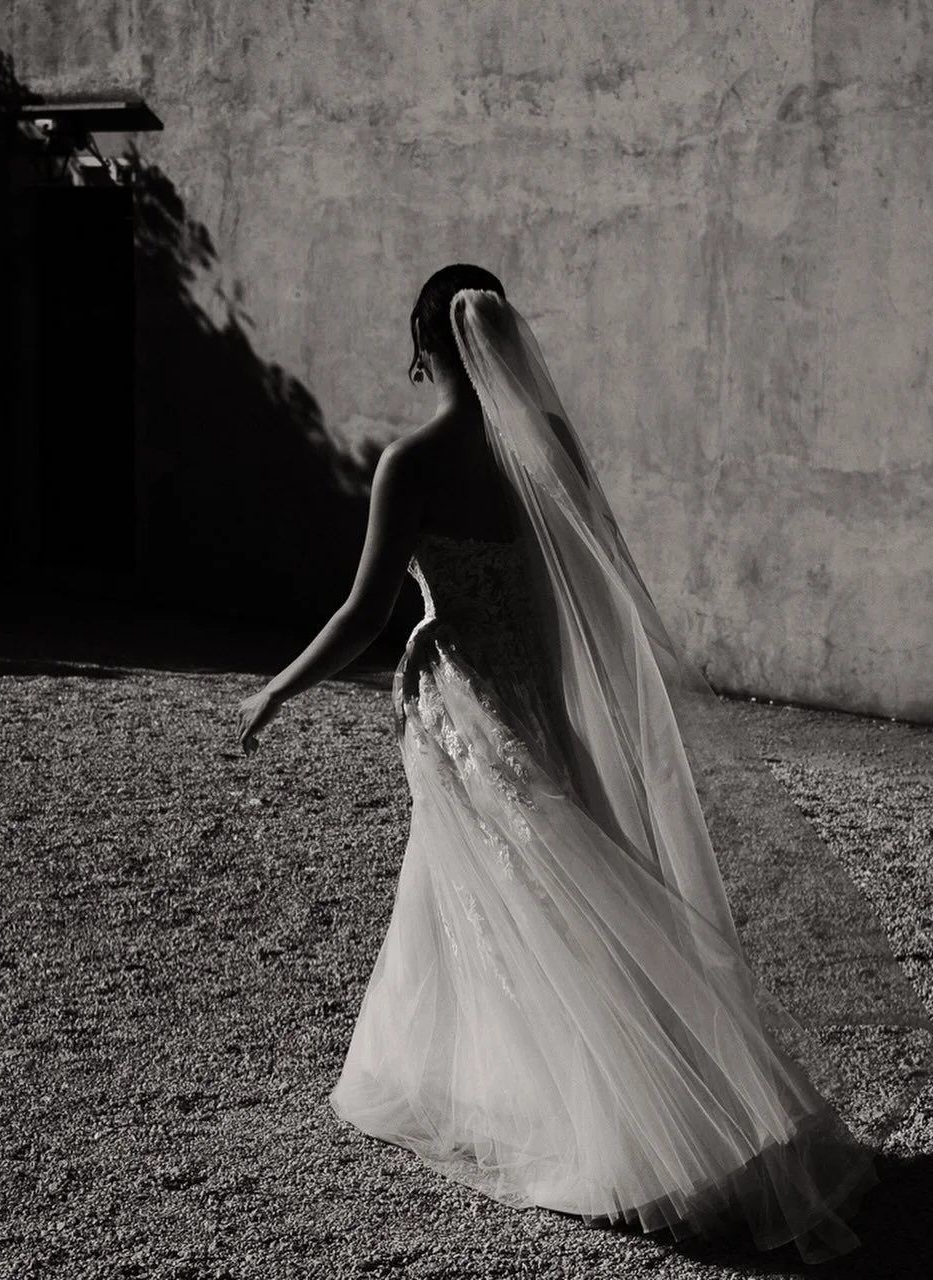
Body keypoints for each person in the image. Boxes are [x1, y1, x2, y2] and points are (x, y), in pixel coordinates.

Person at [236, 264, 877, 1264]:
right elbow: (600, 576)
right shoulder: (548, 447)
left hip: (462, 705)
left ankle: (612, 1123)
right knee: (525, 892)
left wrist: (277, 685)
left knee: (527, 903)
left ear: (425, 345)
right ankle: (526, 1078)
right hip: (542, 700)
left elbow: (367, 611)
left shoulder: (413, 461)